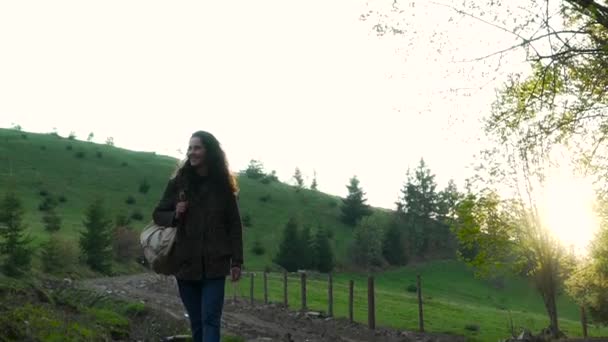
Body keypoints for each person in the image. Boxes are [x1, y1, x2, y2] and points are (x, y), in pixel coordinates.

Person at [152, 130, 243, 342]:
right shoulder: (178, 182)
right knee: (196, 320)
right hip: (185, 264)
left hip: (215, 265)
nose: (192, 152)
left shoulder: (223, 187)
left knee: (210, 319)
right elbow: (158, 214)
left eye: (197, 147)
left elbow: (234, 226)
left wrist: (237, 261)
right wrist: (175, 213)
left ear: (209, 151)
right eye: (190, 148)